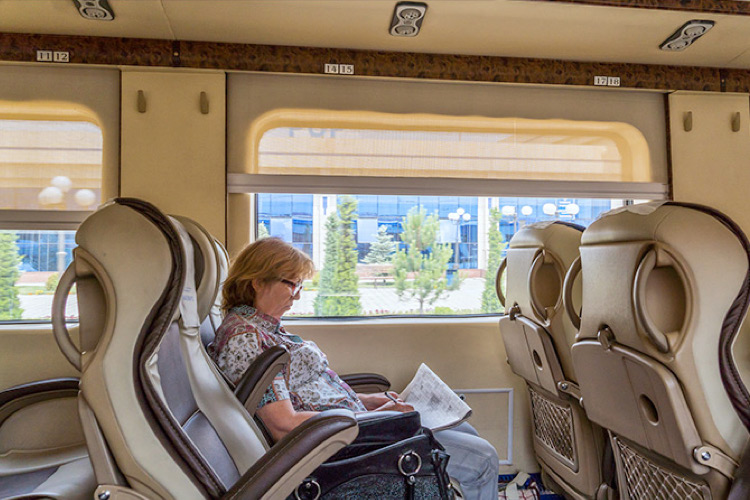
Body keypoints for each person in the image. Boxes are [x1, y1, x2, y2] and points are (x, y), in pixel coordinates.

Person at [209, 237, 499, 500]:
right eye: (291, 284)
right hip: (343, 443)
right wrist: (378, 416)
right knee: (484, 459)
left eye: (300, 285)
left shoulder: (263, 327)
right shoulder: (245, 339)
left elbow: (305, 393)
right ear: (257, 281)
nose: (296, 296)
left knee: (466, 430)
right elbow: (284, 425)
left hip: (355, 424)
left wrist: (370, 400)